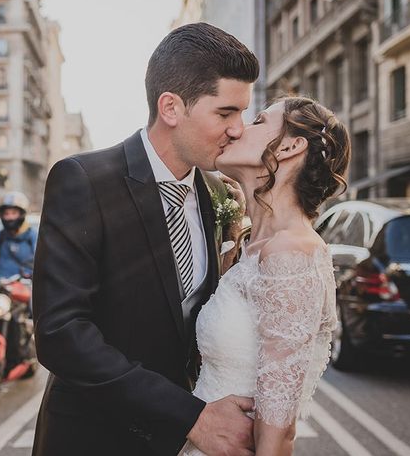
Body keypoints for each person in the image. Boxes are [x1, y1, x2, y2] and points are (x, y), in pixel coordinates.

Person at [33, 23, 259, 456]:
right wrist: (190, 417)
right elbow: (61, 333)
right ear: (171, 108)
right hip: (91, 439)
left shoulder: (219, 194)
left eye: (244, 114)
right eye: (226, 113)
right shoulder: (82, 179)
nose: (239, 129)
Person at [179, 96, 350, 456]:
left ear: (291, 146)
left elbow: (278, 429)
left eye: (257, 121)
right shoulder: (252, 248)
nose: (238, 128)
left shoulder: (292, 251)